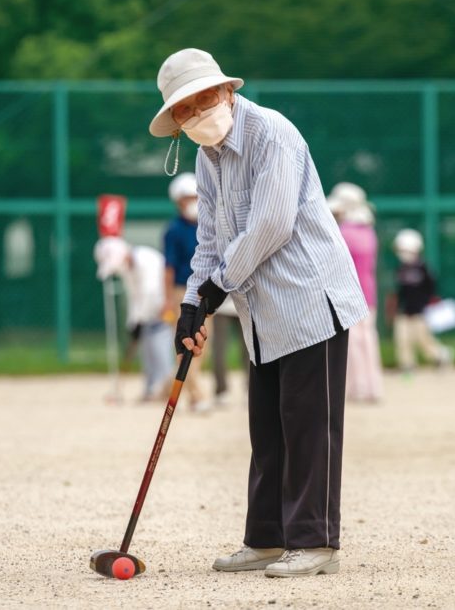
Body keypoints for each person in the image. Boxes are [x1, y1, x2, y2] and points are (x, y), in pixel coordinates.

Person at [148, 48, 368, 577]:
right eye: (184, 108)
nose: (197, 112)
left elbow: (272, 223)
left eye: (204, 98)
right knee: (267, 429)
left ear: (228, 91)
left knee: (309, 427)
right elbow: (208, 238)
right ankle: (267, 537)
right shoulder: (207, 158)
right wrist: (193, 303)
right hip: (262, 312)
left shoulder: (272, 133)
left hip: (310, 299)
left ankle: (316, 542)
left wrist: (217, 287)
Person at [93, 237, 173, 402]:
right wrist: (133, 322)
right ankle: (151, 389)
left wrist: (139, 319)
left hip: (162, 309)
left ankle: (166, 390)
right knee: (147, 350)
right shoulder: (128, 269)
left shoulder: (146, 260)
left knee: (160, 348)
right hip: (147, 314)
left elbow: (150, 292)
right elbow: (134, 296)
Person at [327, 183, 384, 403]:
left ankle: (357, 388)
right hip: (368, 293)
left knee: (353, 343)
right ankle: (373, 387)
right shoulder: (369, 231)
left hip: (348, 294)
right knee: (368, 340)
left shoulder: (343, 232)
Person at [162, 172, 210, 412]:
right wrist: (168, 299)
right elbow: (168, 267)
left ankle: (166, 388)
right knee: (187, 344)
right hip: (182, 290)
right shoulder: (173, 230)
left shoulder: (206, 227)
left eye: (195, 197)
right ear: (179, 201)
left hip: (205, 291)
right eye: (188, 198)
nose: (193, 202)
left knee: (202, 347)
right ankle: (197, 396)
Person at [386, 229, 455, 375]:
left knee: (423, 340)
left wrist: (428, 304)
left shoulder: (423, 268)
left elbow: (431, 288)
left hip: (420, 311)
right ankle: (407, 365)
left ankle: (440, 356)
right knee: (402, 339)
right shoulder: (401, 269)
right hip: (404, 310)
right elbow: (400, 291)